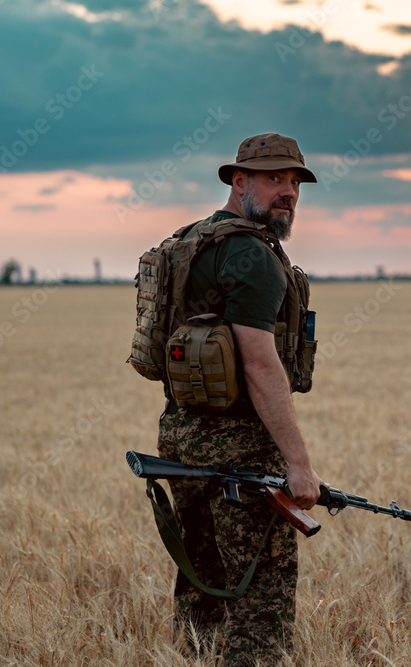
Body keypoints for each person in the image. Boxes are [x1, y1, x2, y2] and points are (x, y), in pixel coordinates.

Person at [156, 132, 325, 665]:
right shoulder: (253, 255)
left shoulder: (192, 240)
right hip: (240, 449)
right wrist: (298, 464)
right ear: (239, 181)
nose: (288, 192)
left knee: (201, 576)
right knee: (261, 595)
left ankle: (193, 658)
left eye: (294, 181)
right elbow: (258, 361)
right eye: (274, 178)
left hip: (182, 435)